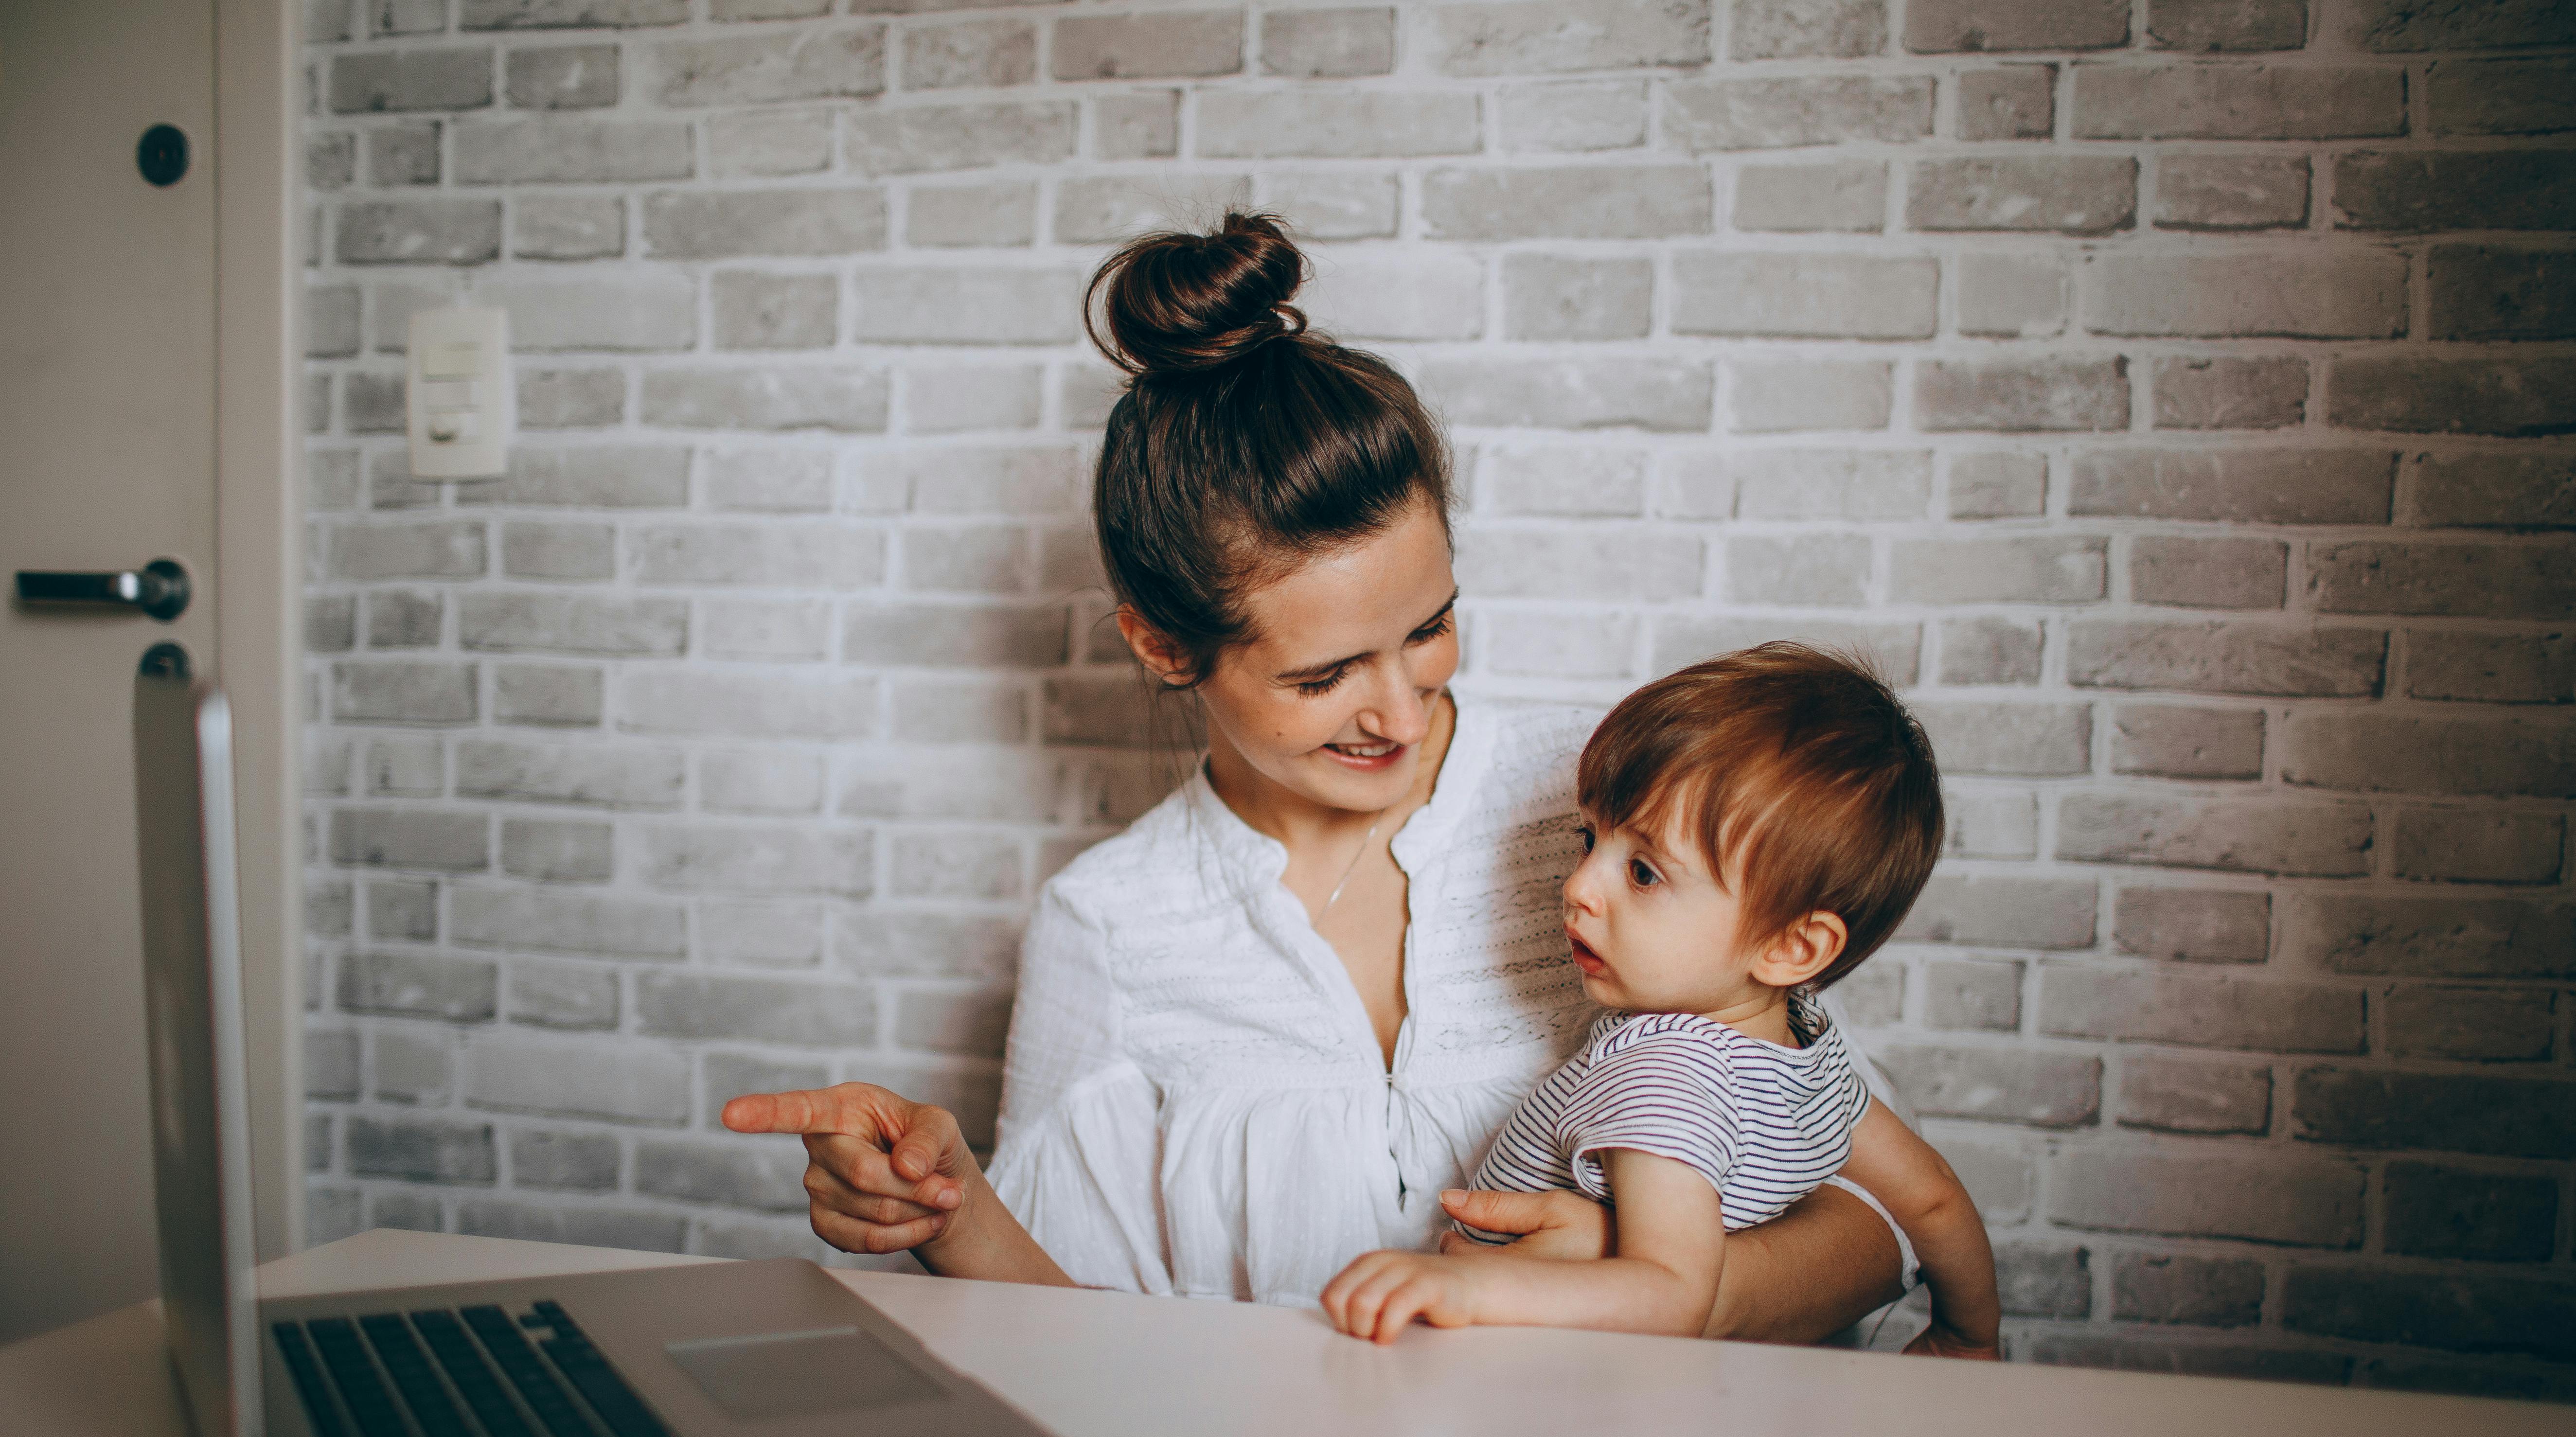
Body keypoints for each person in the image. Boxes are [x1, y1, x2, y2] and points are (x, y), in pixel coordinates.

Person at [722, 213, 1939, 1346]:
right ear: (1161, 644)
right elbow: (1086, 1346)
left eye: (1429, 629)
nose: (1402, 713)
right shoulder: (1110, 923)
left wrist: (1611, 1283)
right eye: (1323, 677)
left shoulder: (1622, 806)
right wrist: (950, 1213)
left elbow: (1882, 1234)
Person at [1320, 645, 2001, 1355]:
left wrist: (1468, 1290)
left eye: (1643, 872)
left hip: (1534, 1367)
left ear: (1793, 949)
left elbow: (1671, 1294)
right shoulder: (1807, 1050)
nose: (1579, 884)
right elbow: (1933, 1196)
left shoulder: (1665, 1074)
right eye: (1592, 839)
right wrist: (1968, 1334)